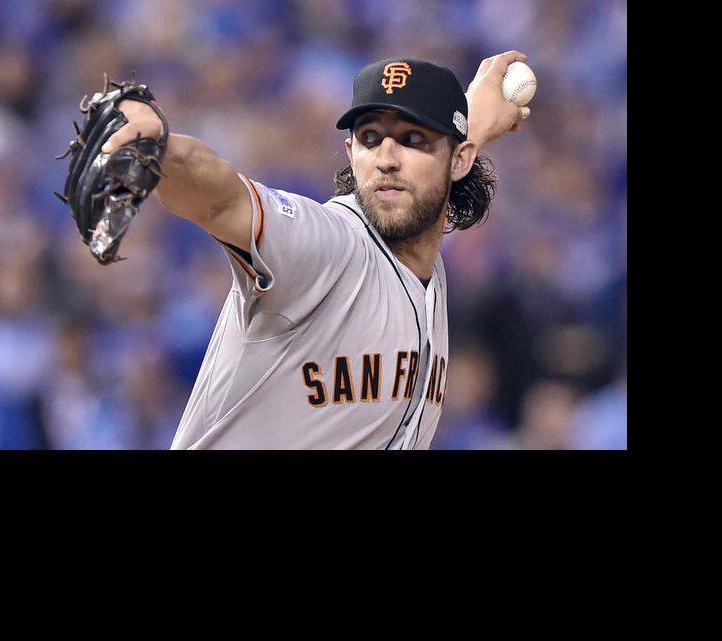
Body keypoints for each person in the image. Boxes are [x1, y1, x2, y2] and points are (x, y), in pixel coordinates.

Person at [96, 52, 531, 449]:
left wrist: (471, 118)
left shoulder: (427, 266)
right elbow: (222, 197)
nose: (386, 158)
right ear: (350, 151)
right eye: (371, 137)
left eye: (413, 138)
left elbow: (439, 173)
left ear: (460, 159)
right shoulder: (326, 244)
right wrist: (161, 149)